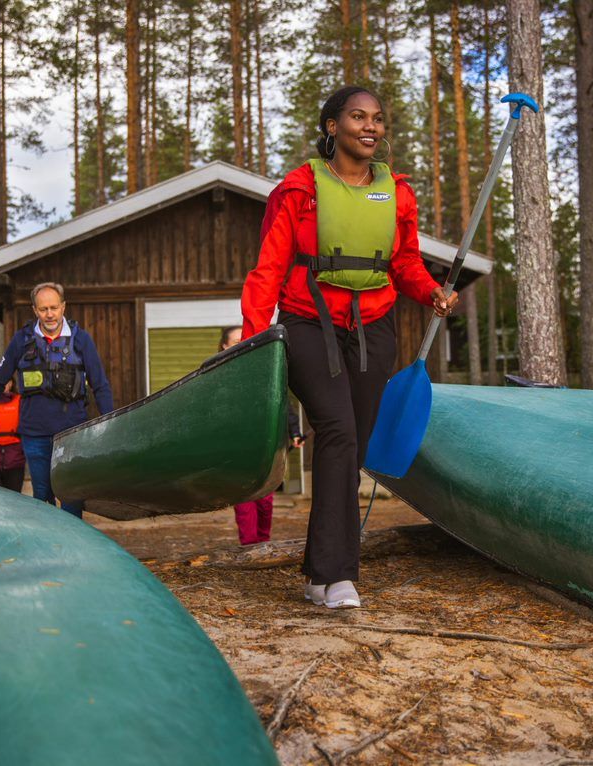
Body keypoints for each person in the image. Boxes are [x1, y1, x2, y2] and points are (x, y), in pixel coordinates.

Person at [240, 86, 457, 609]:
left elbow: (403, 262)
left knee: (355, 440)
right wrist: (253, 341)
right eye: (358, 117)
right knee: (336, 429)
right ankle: (338, 576)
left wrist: (430, 290)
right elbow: (268, 269)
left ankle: (318, 573)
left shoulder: (398, 193)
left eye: (378, 119)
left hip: (375, 324)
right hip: (309, 320)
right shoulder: (298, 190)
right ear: (332, 126)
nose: (370, 126)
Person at [0, 282, 114, 518]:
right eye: (43, 309)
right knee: (42, 495)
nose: (49, 314)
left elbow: (100, 385)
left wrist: (110, 422)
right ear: (34, 310)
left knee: (71, 495)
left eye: (54, 308)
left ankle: (73, 547)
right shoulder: (22, 340)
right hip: (34, 434)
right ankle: (50, 549)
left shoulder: (81, 340)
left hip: (72, 432)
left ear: (63, 307)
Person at [219, 325, 304, 545]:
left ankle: (263, 543)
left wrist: (294, 431)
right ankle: (249, 546)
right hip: (236, 449)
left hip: (265, 446)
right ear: (225, 346)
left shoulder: (264, 370)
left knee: (265, 501)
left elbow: (282, 404)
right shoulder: (220, 376)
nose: (242, 344)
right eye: (236, 341)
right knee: (245, 502)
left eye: (245, 339)